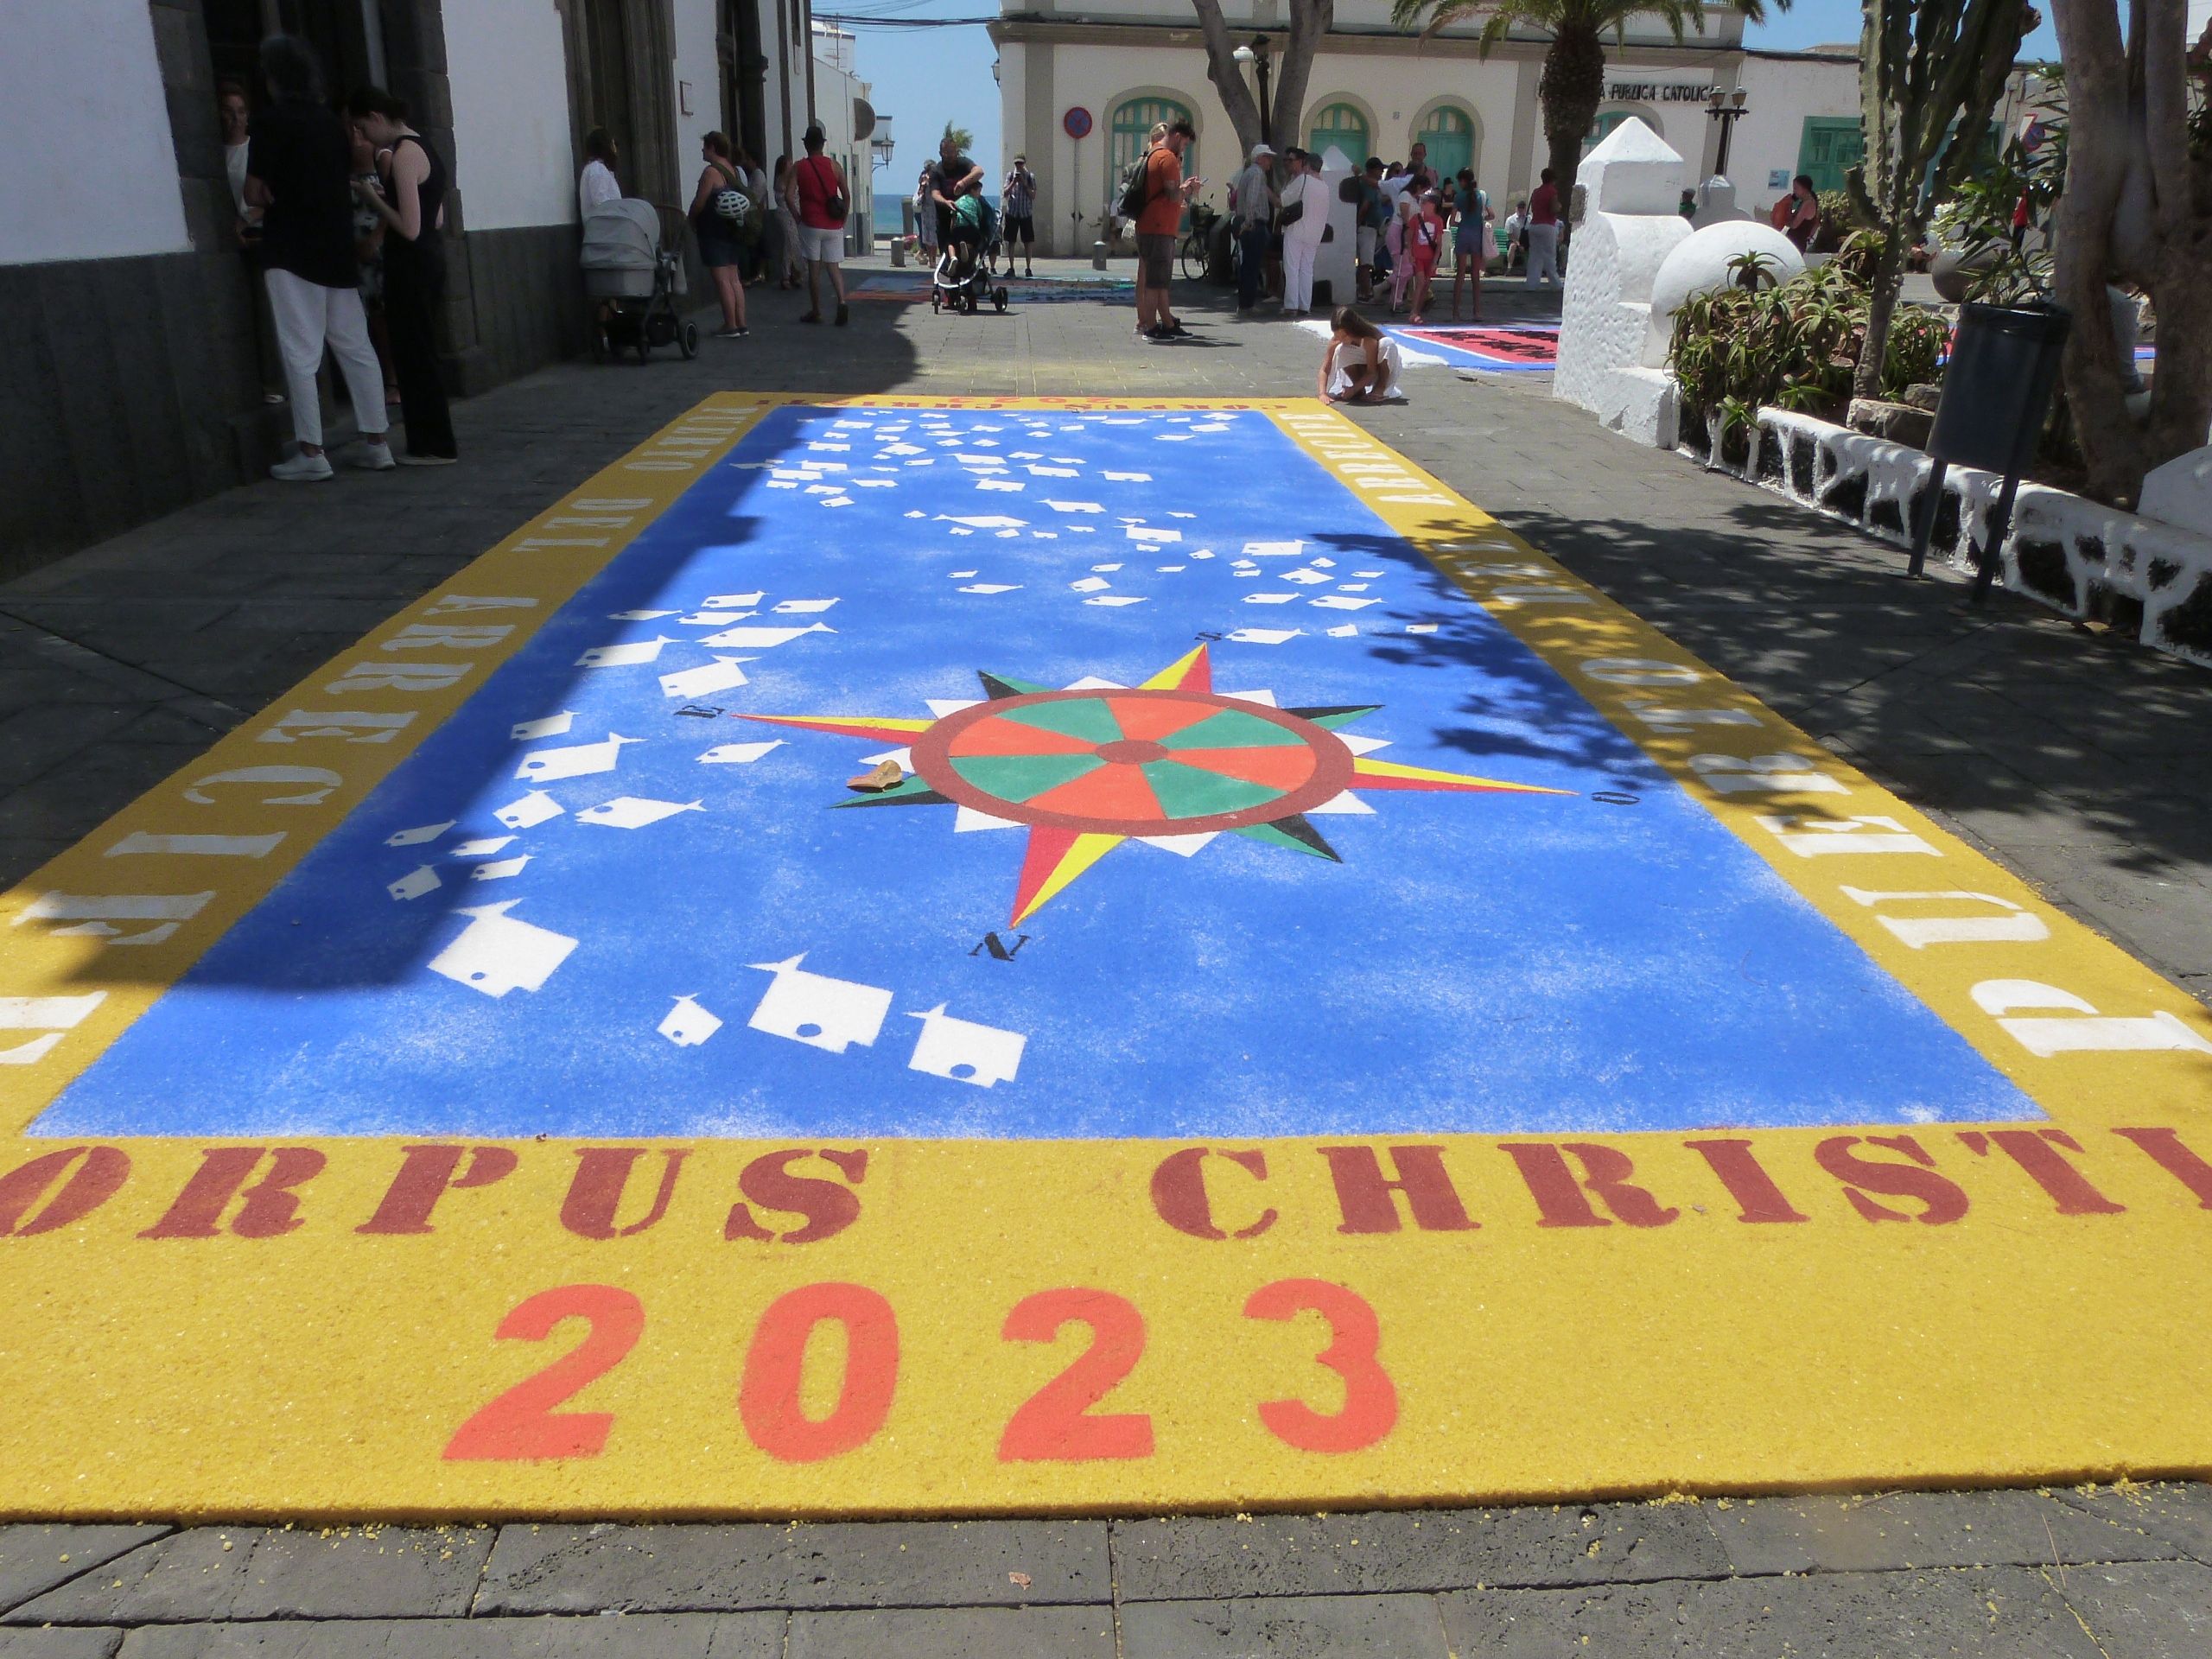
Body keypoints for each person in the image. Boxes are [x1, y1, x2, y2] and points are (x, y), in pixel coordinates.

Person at [245, 37, 392, 480]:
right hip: (335, 248)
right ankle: (377, 441)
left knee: (301, 350)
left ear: (272, 78)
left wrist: (269, 193)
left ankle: (312, 450)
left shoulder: (270, 121)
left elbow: (254, 192)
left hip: (290, 247)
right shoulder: (331, 123)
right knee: (355, 346)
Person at [346, 86, 455, 465]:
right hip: (429, 260)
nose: (361, 137)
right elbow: (436, 218)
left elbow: (410, 227)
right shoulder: (426, 147)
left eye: (361, 127)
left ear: (376, 117)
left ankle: (432, 444)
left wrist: (374, 197)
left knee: (415, 355)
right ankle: (432, 442)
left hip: (411, 264)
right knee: (420, 351)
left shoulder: (405, 155)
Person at [1134, 117, 1200, 341]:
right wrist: (1189, 190)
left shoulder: (1152, 155)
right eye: (1185, 145)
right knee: (1155, 282)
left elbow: (1165, 191)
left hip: (1151, 225)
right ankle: (1151, 328)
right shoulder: (1167, 158)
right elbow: (1173, 195)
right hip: (1159, 227)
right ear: (1178, 137)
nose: (1184, 149)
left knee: (1160, 281)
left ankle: (1166, 324)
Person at [348, 124, 397, 405]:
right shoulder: (342, 163)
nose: (355, 136)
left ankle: (392, 379)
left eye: (360, 129)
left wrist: (377, 237)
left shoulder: (384, 158)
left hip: (376, 248)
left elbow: (395, 203)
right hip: (352, 249)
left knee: (381, 316)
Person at [688, 130, 752, 338]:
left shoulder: (711, 172)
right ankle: (741, 323)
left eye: (705, 146)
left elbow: (700, 202)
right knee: (734, 278)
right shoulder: (733, 170)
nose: (702, 150)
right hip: (733, 230)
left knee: (722, 279)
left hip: (713, 231)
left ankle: (730, 324)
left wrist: (691, 218)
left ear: (712, 147)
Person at [793, 122, 851, 326]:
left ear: (806, 145)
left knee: (814, 268)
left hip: (811, 223)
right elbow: (846, 195)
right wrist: (842, 219)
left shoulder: (799, 167)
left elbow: (789, 197)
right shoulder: (835, 166)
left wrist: (797, 217)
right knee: (833, 267)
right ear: (823, 145)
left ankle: (816, 310)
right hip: (833, 224)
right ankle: (842, 301)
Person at [1277, 148, 1328, 319]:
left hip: (1297, 229)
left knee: (1292, 268)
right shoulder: (1325, 186)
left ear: (1307, 165)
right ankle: (1304, 305)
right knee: (1307, 269)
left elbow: (1283, 200)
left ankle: (1291, 305)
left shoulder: (1303, 180)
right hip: (1315, 233)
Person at [1319, 306, 1403, 404]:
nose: (1340, 339)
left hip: (1378, 371)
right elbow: (1325, 369)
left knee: (1387, 343)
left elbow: (1371, 372)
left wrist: (1353, 390)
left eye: (1344, 336)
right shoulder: (1336, 341)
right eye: (1337, 335)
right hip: (1362, 374)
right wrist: (1322, 393)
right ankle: (1359, 389)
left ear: (1353, 330)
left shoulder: (1368, 339)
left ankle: (1380, 388)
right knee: (1340, 350)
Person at [1229, 142, 1276, 312]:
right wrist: (1249, 223)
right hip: (1254, 224)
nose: (1270, 162)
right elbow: (1252, 200)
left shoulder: (1248, 173)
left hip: (1247, 223)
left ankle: (1245, 302)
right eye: (1268, 158)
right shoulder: (1257, 174)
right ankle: (1247, 304)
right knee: (1251, 265)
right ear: (1261, 158)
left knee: (1248, 265)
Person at [1450, 169, 1492, 321]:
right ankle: (1477, 311)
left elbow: (1453, 221)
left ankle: (1455, 311)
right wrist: (1481, 218)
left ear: (1462, 181)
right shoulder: (1482, 195)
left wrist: (1462, 222)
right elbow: (1492, 214)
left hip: (1463, 234)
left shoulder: (1459, 196)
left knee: (1460, 274)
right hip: (1477, 235)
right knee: (1475, 275)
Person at [1404, 190, 1445, 323]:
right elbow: (1409, 238)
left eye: (1425, 201)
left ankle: (1418, 312)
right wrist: (1410, 254)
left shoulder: (1438, 220)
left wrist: (1435, 261)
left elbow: (1439, 244)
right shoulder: (1416, 219)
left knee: (1426, 285)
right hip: (1418, 257)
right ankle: (1413, 312)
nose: (1422, 204)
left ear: (1432, 204)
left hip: (1430, 258)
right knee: (1420, 282)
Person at [767, 156, 804, 288]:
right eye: (789, 163)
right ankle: (791, 273)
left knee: (791, 244)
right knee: (791, 242)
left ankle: (790, 274)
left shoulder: (788, 178)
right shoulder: (783, 179)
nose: (792, 165)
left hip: (793, 214)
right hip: (786, 214)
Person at [1356, 156, 1386, 300]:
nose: (1382, 172)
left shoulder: (1372, 186)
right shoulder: (1369, 186)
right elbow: (1365, 206)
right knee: (1365, 262)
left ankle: (1364, 290)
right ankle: (1366, 292)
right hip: (1367, 227)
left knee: (1366, 261)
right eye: (1380, 169)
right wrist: (1357, 224)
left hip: (1371, 228)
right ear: (1372, 170)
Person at [1003, 154, 1039, 276]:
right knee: (1010, 240)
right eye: (1016, 164)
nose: (1018, 166)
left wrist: (1024, 183)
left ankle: (1028, 267)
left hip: (1025, 213)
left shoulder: (1030, 177)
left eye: (1021, 163)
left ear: (1024, 164)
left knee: (1028, 241)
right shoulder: (1010, 175)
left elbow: (1033, 195)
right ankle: (1011, 267)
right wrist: (1013, 182)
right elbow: (1005, 193)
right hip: (1012, 212)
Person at [1526, 167, 1560, 285]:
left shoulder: (1536, 192)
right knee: (1550, 256)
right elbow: (1553, 208)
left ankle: (1532, 283)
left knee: (1535, 256)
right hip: (1547, 225)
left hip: (1534, 225)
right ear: (1553, 179)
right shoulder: (1552, 191)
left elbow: (1533, 208)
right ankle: (1555, 283)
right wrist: (1559, 207)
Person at [579, 128, 620, 219]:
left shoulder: (598, 168)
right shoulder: (597, 169)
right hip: (604, 228)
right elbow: (602, 204)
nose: (615, 149)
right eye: (613, 144)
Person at [1778, 173, 1821, 252]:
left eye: (1796, 188)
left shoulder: (1808, 204)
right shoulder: (1804, 202)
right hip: (1794, 241)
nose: (1794, 191)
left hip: (1797, 242)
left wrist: (1788, 207)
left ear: (1804, 189)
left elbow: (1794, 225)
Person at [1503, 197, 1528, 271]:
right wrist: (1518, 244)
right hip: (1513, 240)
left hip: (1525, 241)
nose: (1521, 210)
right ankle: (1509, 267)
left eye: (1522, 208)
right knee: (1512, 246)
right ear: (1516, 208)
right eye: (1519, 208)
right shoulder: (1511, 220)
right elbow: (1509, 235)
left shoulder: (1529, 219)